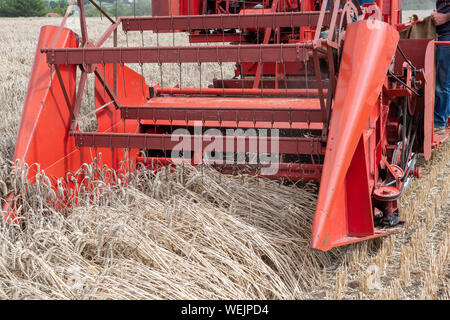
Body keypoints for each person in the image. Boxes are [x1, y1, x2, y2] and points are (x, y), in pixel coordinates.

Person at [432, 1, 450, 134]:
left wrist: (445, 17)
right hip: (443, 34)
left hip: (447, 36)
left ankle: (439, 123)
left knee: (442, 82)